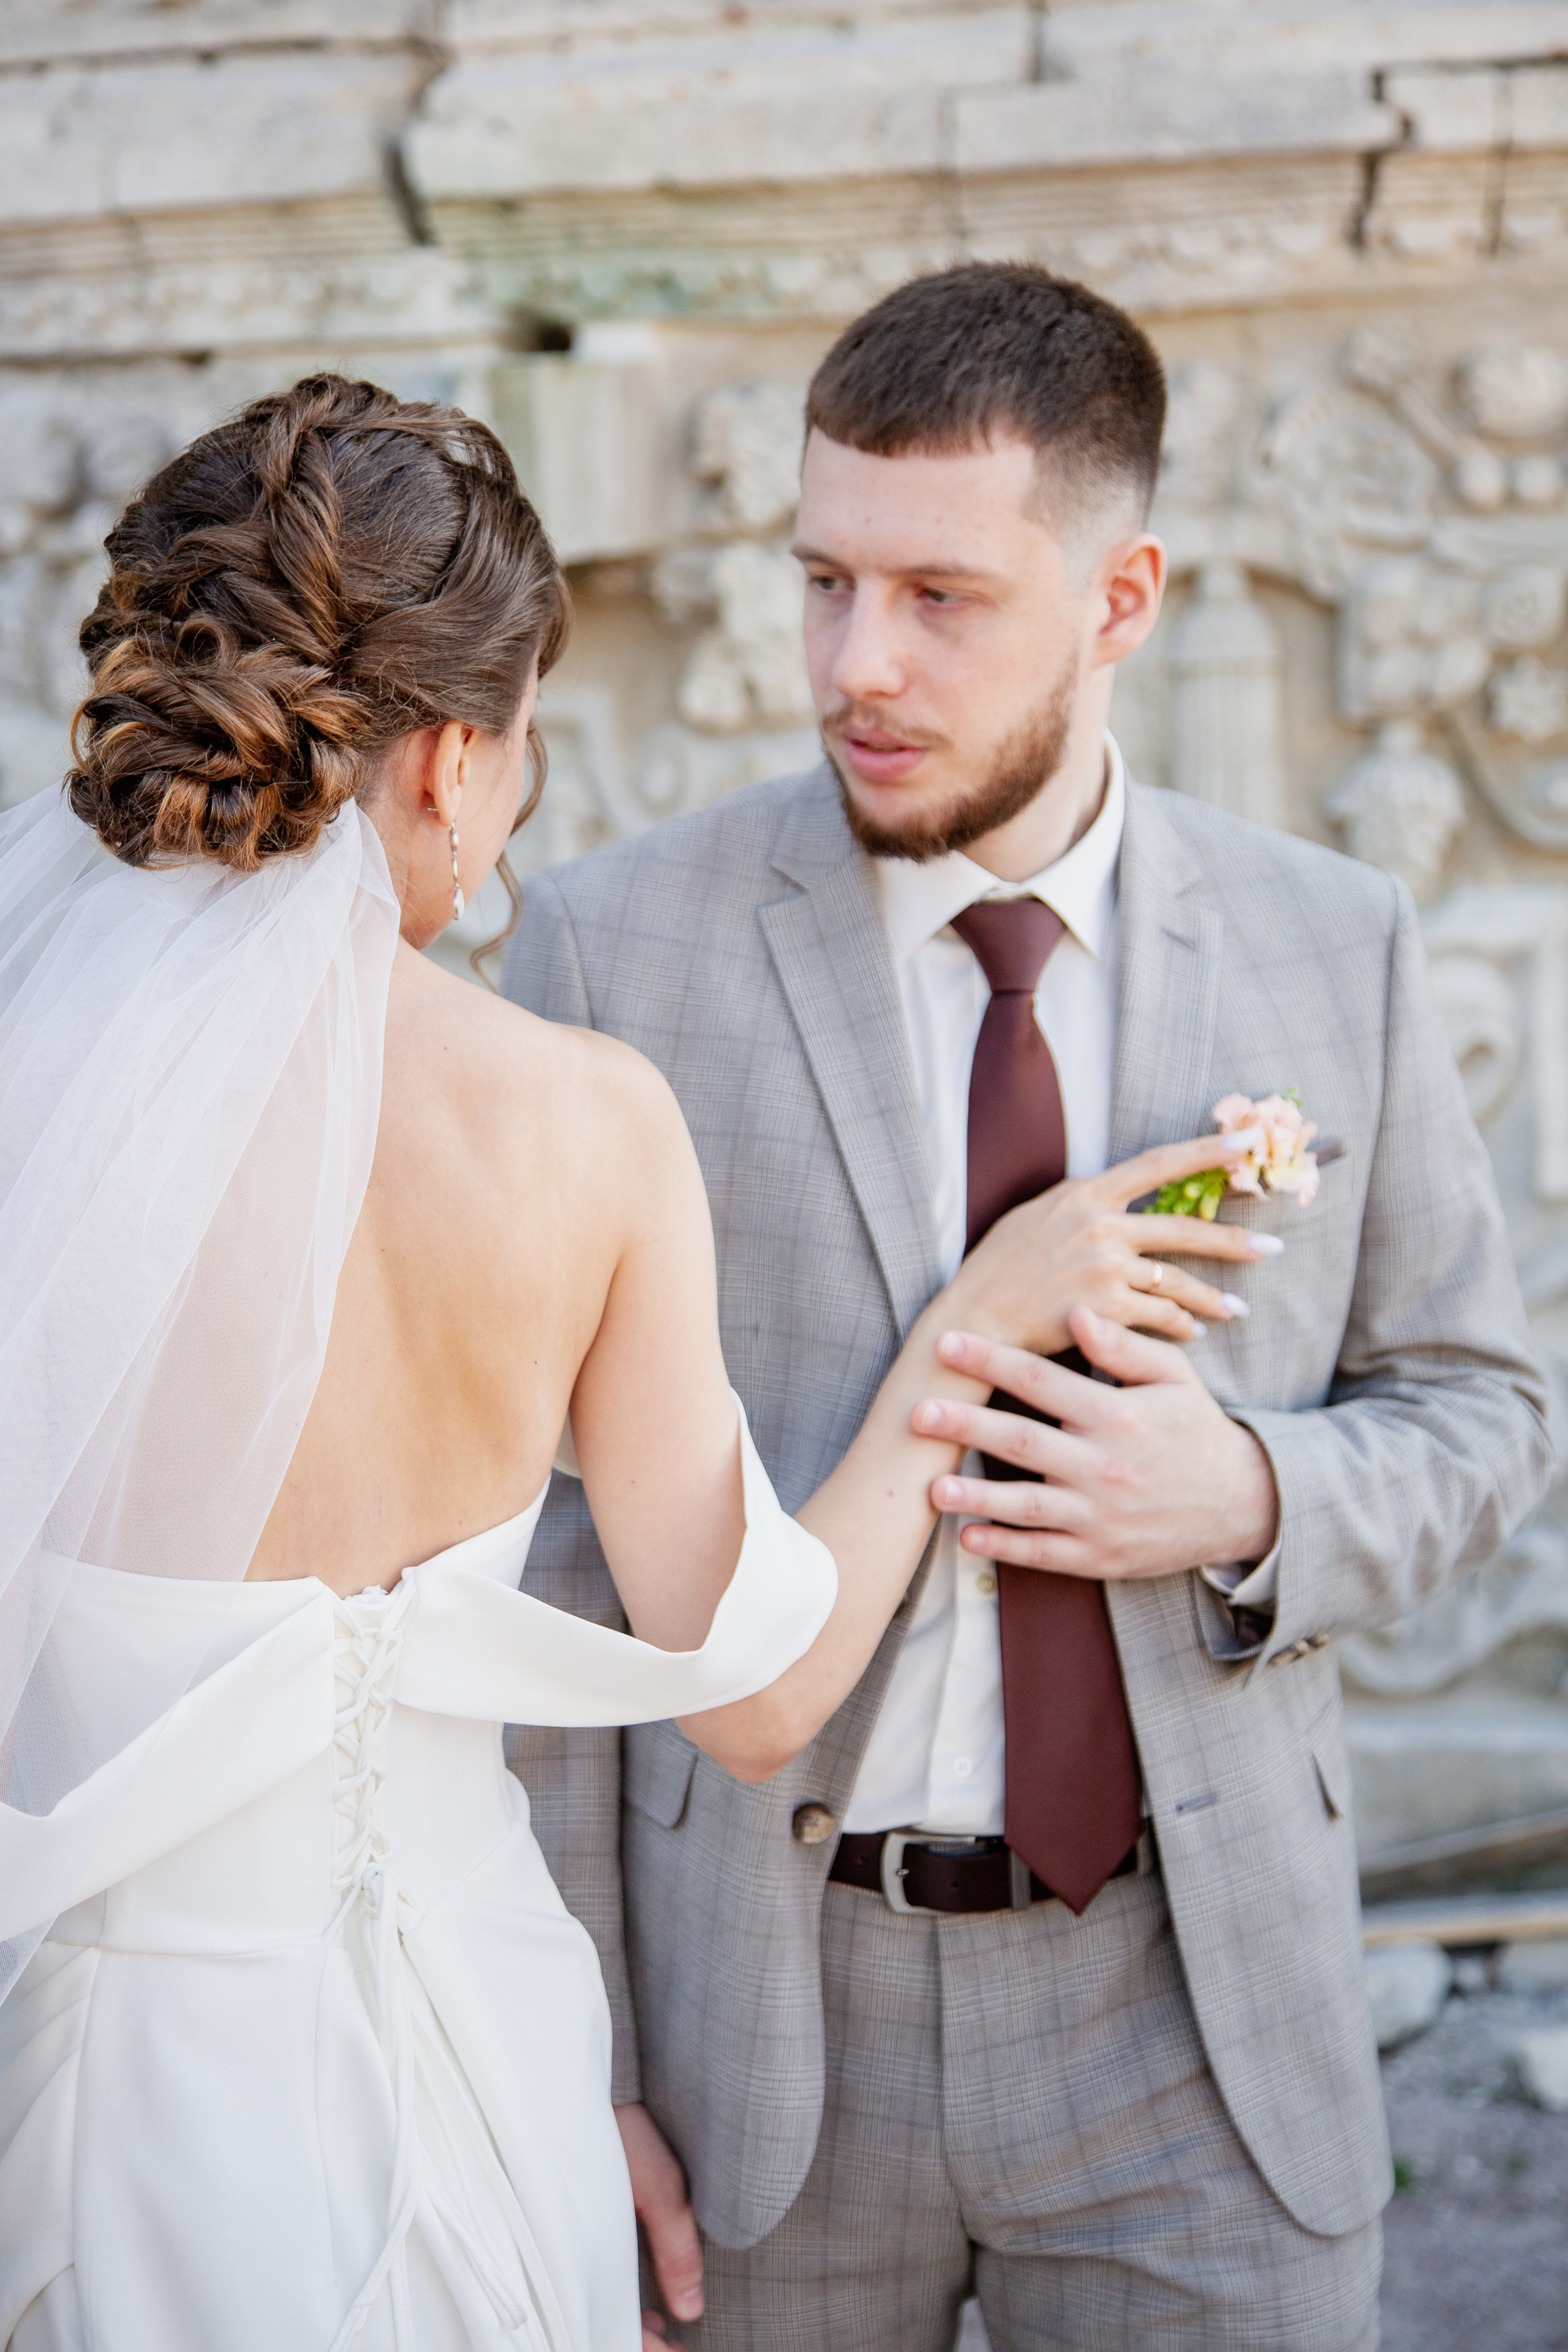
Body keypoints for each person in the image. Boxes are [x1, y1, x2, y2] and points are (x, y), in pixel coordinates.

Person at [0, 377, 1256, 2352]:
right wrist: (974, 1327)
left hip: (98, 2083)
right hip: (468, 2060)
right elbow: (753, 1692)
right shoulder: (578, 1127)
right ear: (452, 761)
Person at [505, 265, 1551, 2352]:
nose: (856, 665)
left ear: (1121, 598)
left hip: (1196, 2017)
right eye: (823, 582)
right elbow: (548, 1554)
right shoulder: (618, 951)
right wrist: (579, 2060)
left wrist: (1251, 1495)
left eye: (942, 599)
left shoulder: (1334, 943)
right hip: (760, 2029)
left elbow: (1485, 1410)